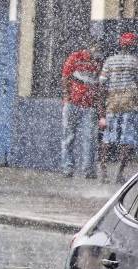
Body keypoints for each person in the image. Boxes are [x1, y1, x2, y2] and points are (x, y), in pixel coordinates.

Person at [61, 40, 104, 179]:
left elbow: (98, 86)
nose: (97, 51)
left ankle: (88, 171)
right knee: (68, 137)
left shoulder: (98, 62)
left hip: (89, 106)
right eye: (95, 47)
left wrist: (97, 106)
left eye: (99, 48)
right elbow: (65, 77)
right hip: (73, 103)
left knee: (90, 139)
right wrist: (68, 97)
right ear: (88, 47)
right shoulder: (75, 57)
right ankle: (67, 168)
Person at [99, 32, 138, 184]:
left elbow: (102, 86)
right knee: (126, 140)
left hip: (112, 103)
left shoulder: (109, 61)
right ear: (132, 46)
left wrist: (101, 111)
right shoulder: (135, 62)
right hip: (130, 104)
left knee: (107, 139)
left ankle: (103, 172)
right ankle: (120, 174)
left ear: (120, 45)